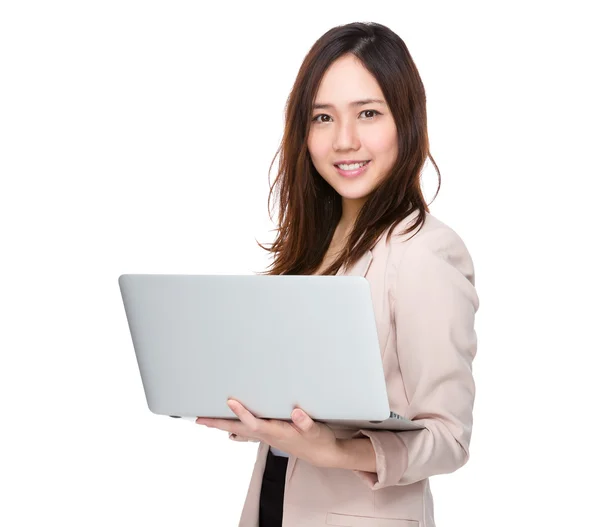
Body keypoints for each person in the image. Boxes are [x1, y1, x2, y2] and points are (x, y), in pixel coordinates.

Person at [195, 21, 480, 527]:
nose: (344, 140)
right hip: (272, 508)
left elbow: (450, 439)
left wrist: (337, 451)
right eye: (323, 117)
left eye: (368, 113)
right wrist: (255, 414)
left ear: (406, 121)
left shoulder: (425, 252)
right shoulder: (312, 249)